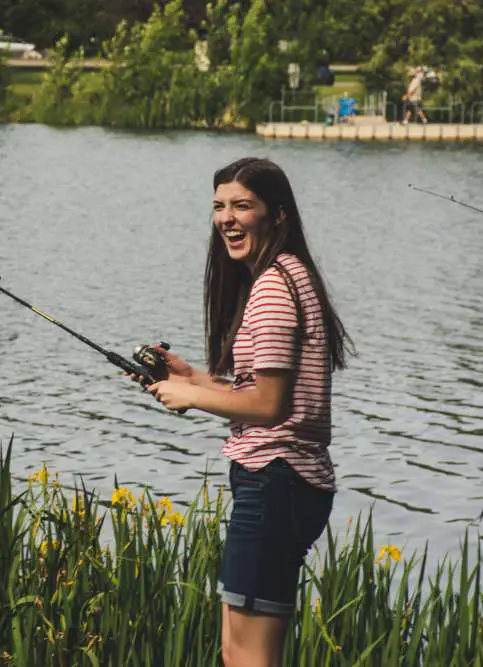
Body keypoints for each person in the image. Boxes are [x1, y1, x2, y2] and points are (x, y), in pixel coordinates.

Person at [138, 157, 353, 666]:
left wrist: (189, 398)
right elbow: (262, 389)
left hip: (275, 480)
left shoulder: (273, 288)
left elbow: (269, 405)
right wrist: (193, 378)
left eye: (242, 206)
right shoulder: (290, 274)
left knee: (248, 657)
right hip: (284, 481)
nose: (226, 218)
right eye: (218, 207)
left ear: (278, 214)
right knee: (237, 651)